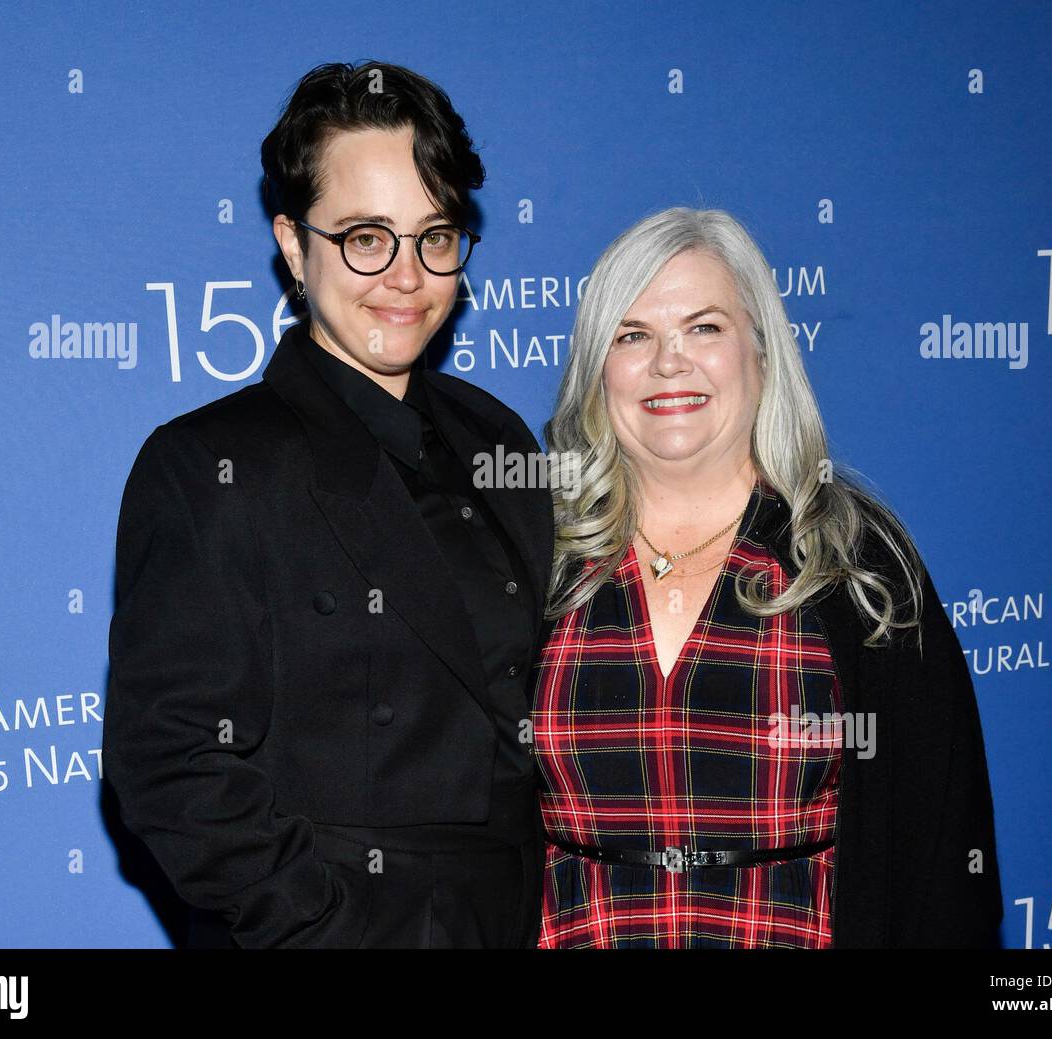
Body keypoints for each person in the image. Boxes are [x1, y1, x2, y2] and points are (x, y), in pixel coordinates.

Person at [103, 61, 553, 948]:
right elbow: (169, 762)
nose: (405, 275)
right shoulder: (210, 464)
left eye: (435, 236)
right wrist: (323, 925)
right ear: (293, 242)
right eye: (364, 236)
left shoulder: (497, 437)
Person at [530, 206, 1003, 948]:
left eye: (704, 327)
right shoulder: (537, 559)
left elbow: (943, 849)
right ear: (596, 368)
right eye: (632, 335)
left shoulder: (856, 561)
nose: (668, 361)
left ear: (762, 349)